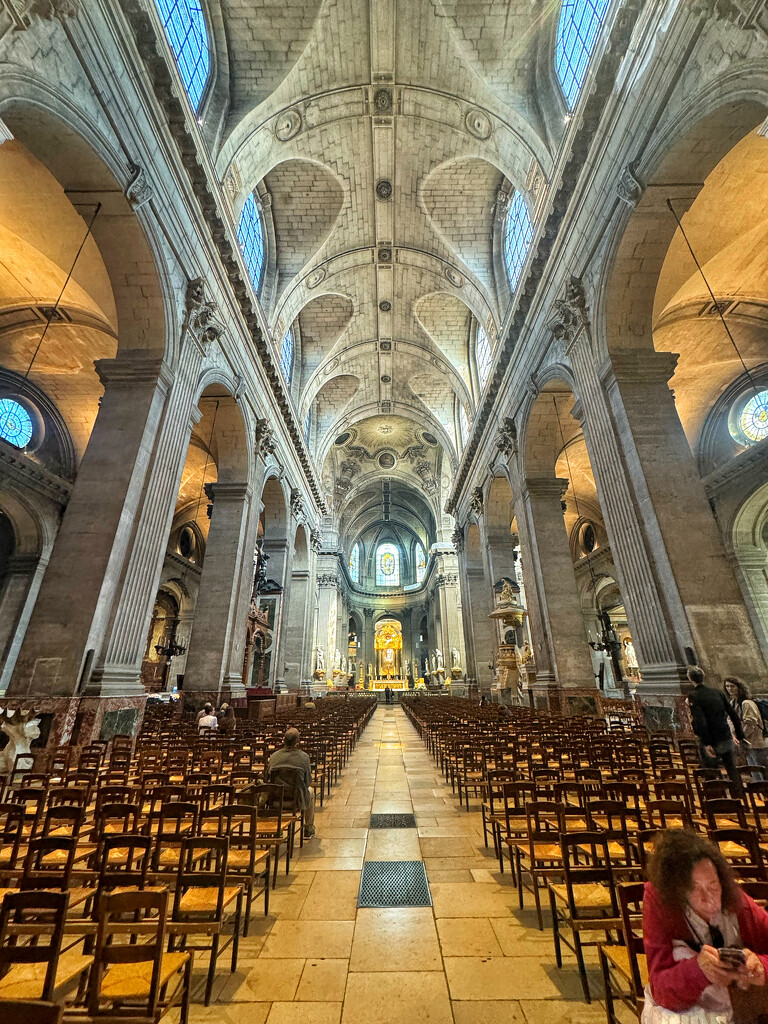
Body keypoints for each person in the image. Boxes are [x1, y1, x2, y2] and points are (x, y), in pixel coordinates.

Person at [643, 830, 768, 1023]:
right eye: (695, 889)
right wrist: (699, 971)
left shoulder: (736, 901)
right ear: (679, 891)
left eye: (712, 886)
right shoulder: (660, 901)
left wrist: (762, 967)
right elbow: (660, 989)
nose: (708, 898)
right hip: (683, 1011)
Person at [687, 665, 745, 795]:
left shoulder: (694, 695)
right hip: (725, 735)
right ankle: (740, 796)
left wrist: (706, 742)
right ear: (703, 677)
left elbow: (700, 720)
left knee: (710, 770)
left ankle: (718, 798)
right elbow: (733, 714)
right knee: (731, 768)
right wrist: (740, 735)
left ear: (690, 679)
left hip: (711, 738)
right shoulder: (717, 692)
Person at [267, 727, 315, 839]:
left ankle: (276, 829)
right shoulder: (304, 757)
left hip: (275, 800)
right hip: (296, 800)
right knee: (311, 791)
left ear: (284, 740)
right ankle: (308, 828)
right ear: (297, 742)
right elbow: (307, 781)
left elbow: (267, 779)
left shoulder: (274, 756)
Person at [725, 677, 768, 774]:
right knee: (754, 771)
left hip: (757, 742)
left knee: (763, 770)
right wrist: (734, 734)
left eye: (732, 686)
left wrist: (741, 736)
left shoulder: (746, 703)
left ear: (739, 687)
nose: (730, 689)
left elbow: (751, 723)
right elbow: (729, 719)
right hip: (747, 743)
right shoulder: (733, 703)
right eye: (727, 686)